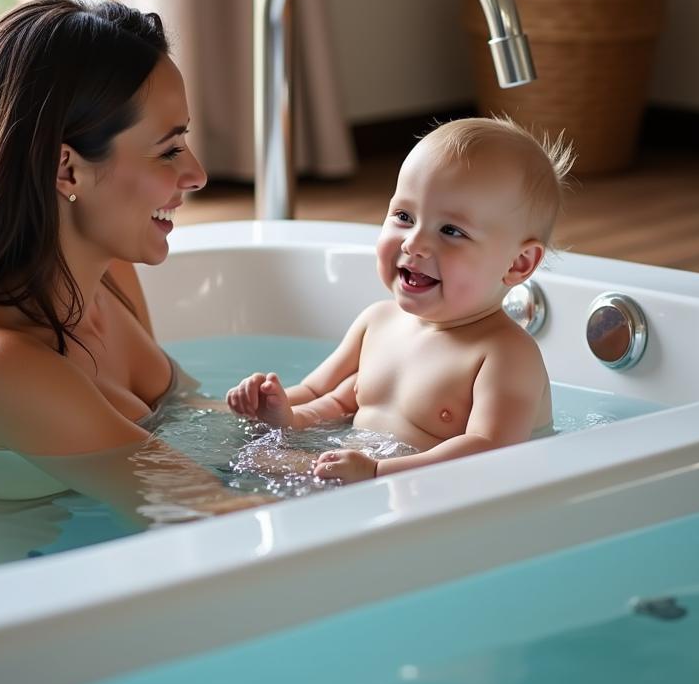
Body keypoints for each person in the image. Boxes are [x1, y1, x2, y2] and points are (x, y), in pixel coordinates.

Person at [0, 0, 260, 517]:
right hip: (36, 582)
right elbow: (210, 508)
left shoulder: (109, 271)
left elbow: (198, 423)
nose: (196, 174)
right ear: (67, 170)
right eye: (168, 149)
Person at [226, 117, 574, 484]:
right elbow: (328, 399)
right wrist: (279, 411)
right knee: (245, 467)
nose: (414, 243)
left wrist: (378, 472)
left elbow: (489, 451)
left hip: (441, 504)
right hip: (359, 478)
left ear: (518, 264)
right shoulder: (376, 322)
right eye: (405, 216)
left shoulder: (505, 355)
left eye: (451, 231)